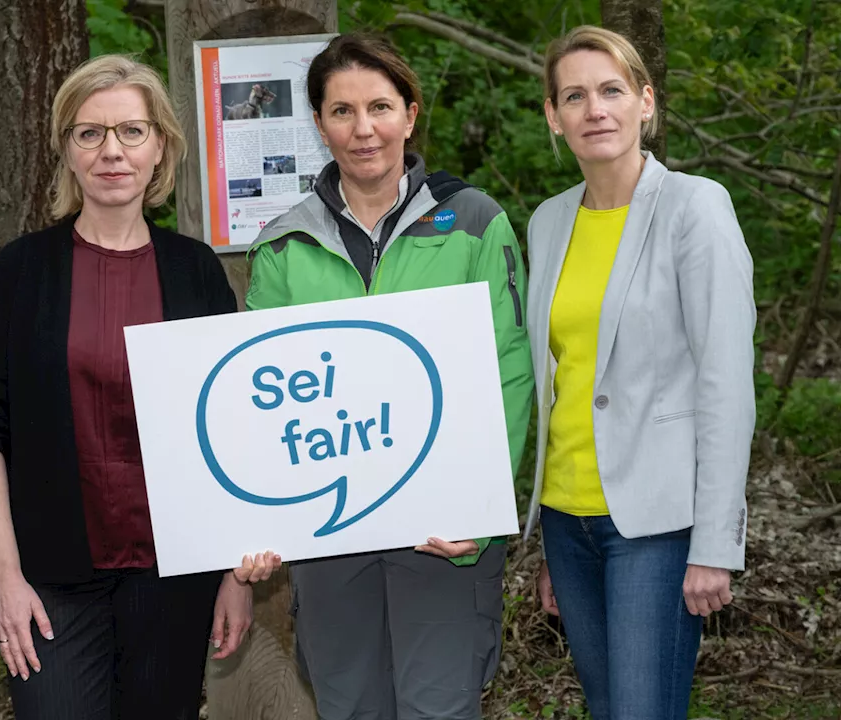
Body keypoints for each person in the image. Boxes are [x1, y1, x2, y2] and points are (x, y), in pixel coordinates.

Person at [0, 54, 274, 720]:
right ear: (67, 151)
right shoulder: (19, 274)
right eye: (89, 133)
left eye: (131, 131)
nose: (112, 152)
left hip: (173, 575)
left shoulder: (196, 274)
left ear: (160, 147)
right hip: (48, 578)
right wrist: (4, 578)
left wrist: (232, 575)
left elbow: (230, 430)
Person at [244, 33, 535, 720]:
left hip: (442, 532)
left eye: (379, 106)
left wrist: (481, 505)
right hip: (331, 533)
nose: (363, 128)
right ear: (318, 124)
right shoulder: (285, 243)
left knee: (439, 708)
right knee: (349, 709)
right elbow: (260, 403)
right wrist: (257, 518)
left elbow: (510, 373)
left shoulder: (472, 222)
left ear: (410, 113)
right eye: (342, 111)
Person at [525, 25, 755, 720]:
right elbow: (560, 382)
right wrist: (545, 542)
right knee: (607, 708)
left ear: (645, 103)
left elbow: (725, 381)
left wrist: (716, 542)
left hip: (656, 526)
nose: (595, 109)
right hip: (568, 521)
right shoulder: (547, 222)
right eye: (574, 96)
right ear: (553, 117)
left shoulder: (695, 208)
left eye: (611, 91)